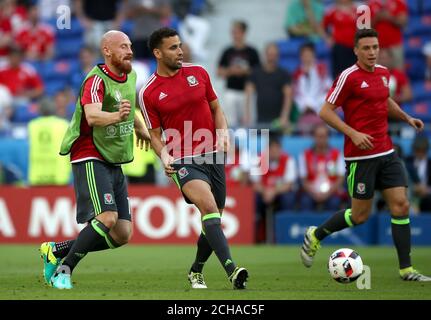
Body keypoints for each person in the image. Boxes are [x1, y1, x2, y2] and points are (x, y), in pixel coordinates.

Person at [300, 28, 431, 281]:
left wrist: (406, 117)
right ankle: (316, 235)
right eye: (367, 48)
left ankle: (407, 270)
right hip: (360, 157)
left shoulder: (383, 73)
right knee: (359, 216)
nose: (372, 52)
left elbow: (384, 99)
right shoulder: (348, 77)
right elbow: (325, 111)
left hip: (387, 150)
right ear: (356, 50)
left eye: (375, 47)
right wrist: (353, 134)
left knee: (401, 205)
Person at [39, 30, 150, 290]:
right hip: (90, 153)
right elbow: (93, 116)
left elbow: (127, 105)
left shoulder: (130, 75)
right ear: (107, 51)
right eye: (123, 46)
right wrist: (119, 117)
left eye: (130, 45)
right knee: (107, 218)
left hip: (113, 157)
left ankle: (55, 251)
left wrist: (139, 127)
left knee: (122, 233)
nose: (130, 50)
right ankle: (64, 270)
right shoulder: (95, 80)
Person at [140, 27, 248, 289]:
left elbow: (216, 108)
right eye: (173, 47)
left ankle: (196, 270)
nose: (180, 51)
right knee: (209, 209)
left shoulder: (199, 73)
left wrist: (223, 132)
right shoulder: (149, 92)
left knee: (213, 218)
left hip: (212, 155)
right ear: (158, 52)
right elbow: (154, 135)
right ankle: (232, 271)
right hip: (183, 160)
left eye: (180, 45)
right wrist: (164, 156)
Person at [217, 20, 260, 127]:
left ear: (244, 33)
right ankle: (232, 142)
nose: (235, 35)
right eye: (233, 32)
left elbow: (259, 72)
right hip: (231, 91)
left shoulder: (252, 51)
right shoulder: (227, 51)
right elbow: (219, 71)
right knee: (231, 122)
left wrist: (245, 71)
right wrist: (230, 71)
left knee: (249, 122)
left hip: (247, 92)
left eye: (237, 32)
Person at [244, 43, 293, 129]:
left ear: (278, 57)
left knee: (275, 142)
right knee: (259, 142)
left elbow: (288, 96)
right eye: (270, 54)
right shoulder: (256, 72)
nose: (272, 58)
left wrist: (284, 117)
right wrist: (247, 115)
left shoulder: (284, 74)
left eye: (274, 55)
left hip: (277, 121)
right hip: (259, 120)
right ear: (265, 55)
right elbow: (248, 94)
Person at [298, 123, 345, 211]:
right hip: (311, 192)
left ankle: (331, 225)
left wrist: (327, 193)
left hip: (332, 191)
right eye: (318, 136)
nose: (321, 139)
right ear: (313, 137)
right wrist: (314, 193)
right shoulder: (305, 155)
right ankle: (307, 225)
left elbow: (340, 178)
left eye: (323, 136)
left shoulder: (337, 154)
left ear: (328, 137)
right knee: (305, 202)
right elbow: (303, 179)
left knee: (334, 202)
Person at [405, 134, 431, 213]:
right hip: (409, 194)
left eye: (422, 150)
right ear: (414, 150)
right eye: (417, 150)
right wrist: (413, 188)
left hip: (427, 196)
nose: (420, 153)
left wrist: (426, 190)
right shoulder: (407, 162)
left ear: (426, 150)